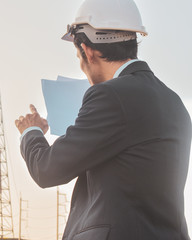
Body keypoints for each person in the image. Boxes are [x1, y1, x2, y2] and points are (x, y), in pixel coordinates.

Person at [14, 0, 191, 239]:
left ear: (87, 50)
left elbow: (46, 169)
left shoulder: (110, 96)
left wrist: (31, 132)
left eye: (78, 56)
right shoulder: (175, 102)